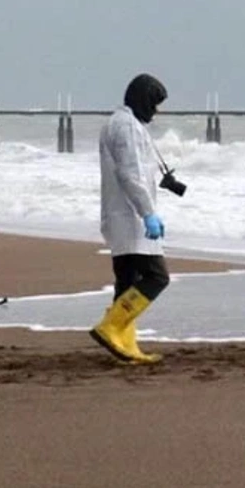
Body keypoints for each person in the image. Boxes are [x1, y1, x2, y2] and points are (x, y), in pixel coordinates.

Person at [89, 73, 171, 364]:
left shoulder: (123, 123)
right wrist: (148, 212)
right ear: (144, 98)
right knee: (156, 277)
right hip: (130, 217)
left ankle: (124, 344)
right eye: (155, 103)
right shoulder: (125, 127)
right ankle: (111, 327)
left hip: (121, 216)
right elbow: (131, 174)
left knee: (127, 281)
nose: (156, 111)